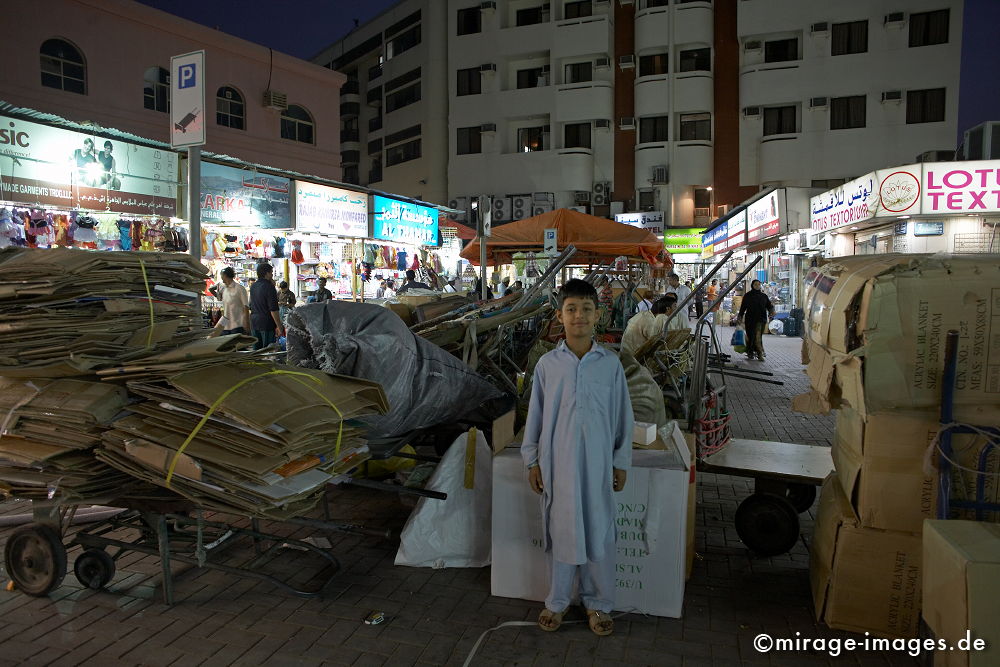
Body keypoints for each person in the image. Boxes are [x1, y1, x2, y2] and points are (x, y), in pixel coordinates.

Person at [522, 279, 633, 637]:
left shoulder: (610, 365)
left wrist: (621, 461)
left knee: (598, 532)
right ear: (560, 315)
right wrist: (532, 460)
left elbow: (622, 418)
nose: (579, 316)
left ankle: (598, 604)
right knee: (563, 531)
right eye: (571, 309)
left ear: (597, 316)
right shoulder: (547, 366)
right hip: (559, 467)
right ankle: (556, 602)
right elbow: (535, 418)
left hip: (599, 466)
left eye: (586, 309)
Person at [737, 279, 775, 361]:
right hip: (750, 320)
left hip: (761, 320)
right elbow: (743, 308)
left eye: (758, 284)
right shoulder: (748, 296)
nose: (757, 286)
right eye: (755, 284)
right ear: (752, 286)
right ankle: (751, 352)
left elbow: (769, 305)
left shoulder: (763, 296)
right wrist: (740, 317)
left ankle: (759, 353)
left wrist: (772, 311)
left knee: (758, 337)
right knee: (751, 337)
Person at [249, 263, 284, 350]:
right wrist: (279, 326)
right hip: (266, 324)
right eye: (271, 272)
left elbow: (250, 305)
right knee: (267, 352)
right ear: (266, 273)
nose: (272, 274)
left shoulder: (253, 286)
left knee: (256, 352)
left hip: (254, 322)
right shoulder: (269, 287)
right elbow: (273, 309)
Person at [210, 267, 249, 336]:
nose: (221, 277)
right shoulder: (224, 290)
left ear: (225, 275)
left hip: (238, 326)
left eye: (221, 275)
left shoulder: (239, 289)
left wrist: (246, 323)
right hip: (226, 327)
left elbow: (245, 307)